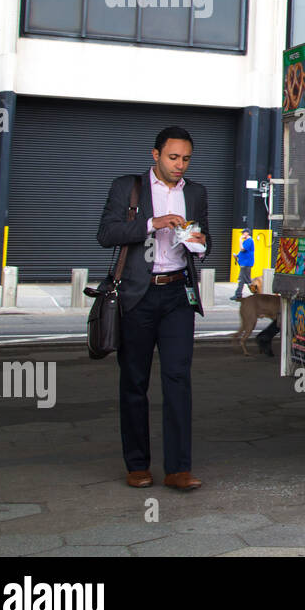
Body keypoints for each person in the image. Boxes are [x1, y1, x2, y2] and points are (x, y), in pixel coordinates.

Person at [97, 126, 210, 490]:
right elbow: (107, 234)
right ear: (156, 155)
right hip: (138, 295)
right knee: (134, 381)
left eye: (186, 159)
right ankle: (137, 464)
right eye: (173, 157)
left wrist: (200, 242)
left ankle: (178, 468)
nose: (180, 165)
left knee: (178, 379)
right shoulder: (127, 187)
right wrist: (151, 223)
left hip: (178, 294)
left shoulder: (195, 193)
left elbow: (205, 240)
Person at [231, 228, 254, 301]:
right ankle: (239, 294)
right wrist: (237, 256)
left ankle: (255, 292)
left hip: (246, 263)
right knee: (245, 280)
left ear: (247, 233)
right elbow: (242, 252)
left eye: (243, 233)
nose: (242, 235)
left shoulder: (249, 241)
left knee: (244, 280)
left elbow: (242, 249)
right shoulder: (247, 241)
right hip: (244, 263)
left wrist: (240, 240)